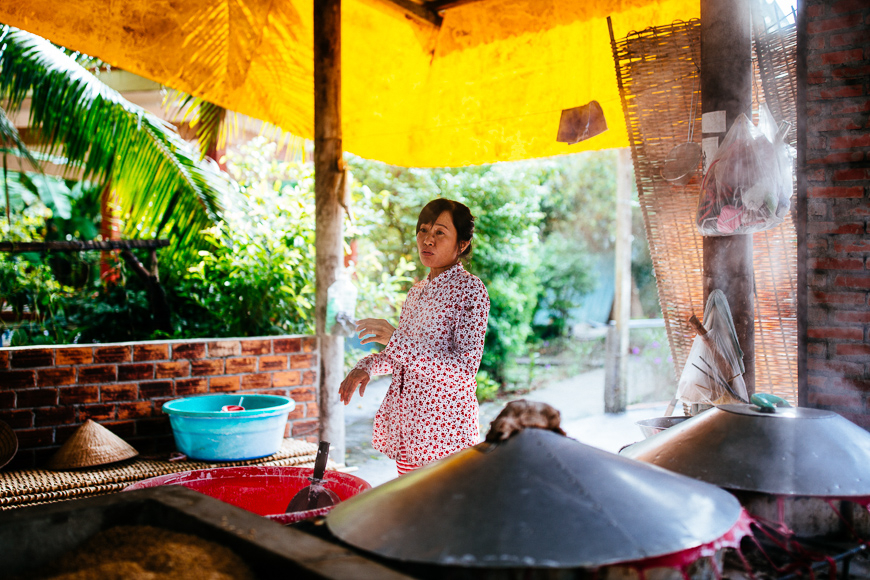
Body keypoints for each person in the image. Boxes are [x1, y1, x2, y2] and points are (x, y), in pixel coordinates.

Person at [339, 198, 490, 475]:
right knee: (411, 513)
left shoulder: (471, 291)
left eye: (440, 233)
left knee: (440, 515)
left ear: (463, 244)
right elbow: (403, 358)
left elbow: (463, 373)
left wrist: (394, 340)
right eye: (423, 230)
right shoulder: (416, 292)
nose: (428, 240)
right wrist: (367, 367)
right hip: (408, 430)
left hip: (445, 437)